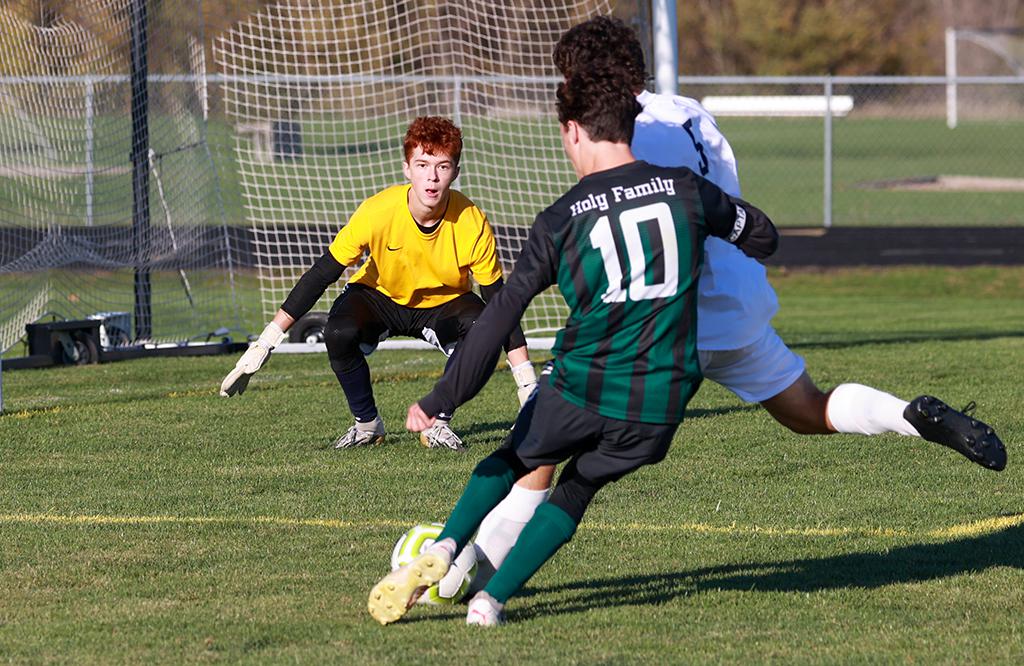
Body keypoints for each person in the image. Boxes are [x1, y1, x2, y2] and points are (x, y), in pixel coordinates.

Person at [464, 16, 1008, 590]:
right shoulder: (693, 111)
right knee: (809, 409)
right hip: (739, 302)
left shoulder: (625, 140)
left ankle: (471, 573)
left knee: (544, 440)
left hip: (665, 318)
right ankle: (907, 415)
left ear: (589, 78)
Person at [367, 63, 780, 626]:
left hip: (585, 382)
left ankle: (444, 546)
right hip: (661, 404)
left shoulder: (562, 219)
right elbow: (761, 234)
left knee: (516, 455)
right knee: (577, 489)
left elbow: (499, 317)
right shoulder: (685, 189)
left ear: (572, 132)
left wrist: (442, 398)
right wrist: (735, 230)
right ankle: (489, 603)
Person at [219, 116, 537, 450]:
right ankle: (367, 425)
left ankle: (438, 424)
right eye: (422, 164)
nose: (432, 176)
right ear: (406, 168)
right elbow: (322, 273)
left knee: (482, 327)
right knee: (338, 331)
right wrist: (266, 341)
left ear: (455, 172)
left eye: (442, 166)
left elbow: (502, 307)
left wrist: (527, 385)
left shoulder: (471, 222)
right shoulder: (378, 211)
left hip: (444, 304)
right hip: (380, 297)